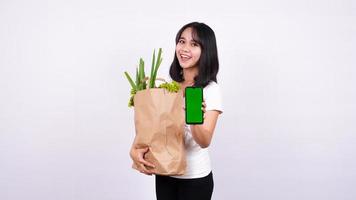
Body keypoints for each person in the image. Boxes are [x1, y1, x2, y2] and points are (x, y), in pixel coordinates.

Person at [130, 22, 223, 200]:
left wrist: (194, 117)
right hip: (164, 171)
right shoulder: (168, 86)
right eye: (182, 41)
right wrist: (134, 149)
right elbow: (153, 128)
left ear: (206, 51)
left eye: (194, 44)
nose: (185, 48)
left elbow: (204, 141)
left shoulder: (209, 90)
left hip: (194, 178)